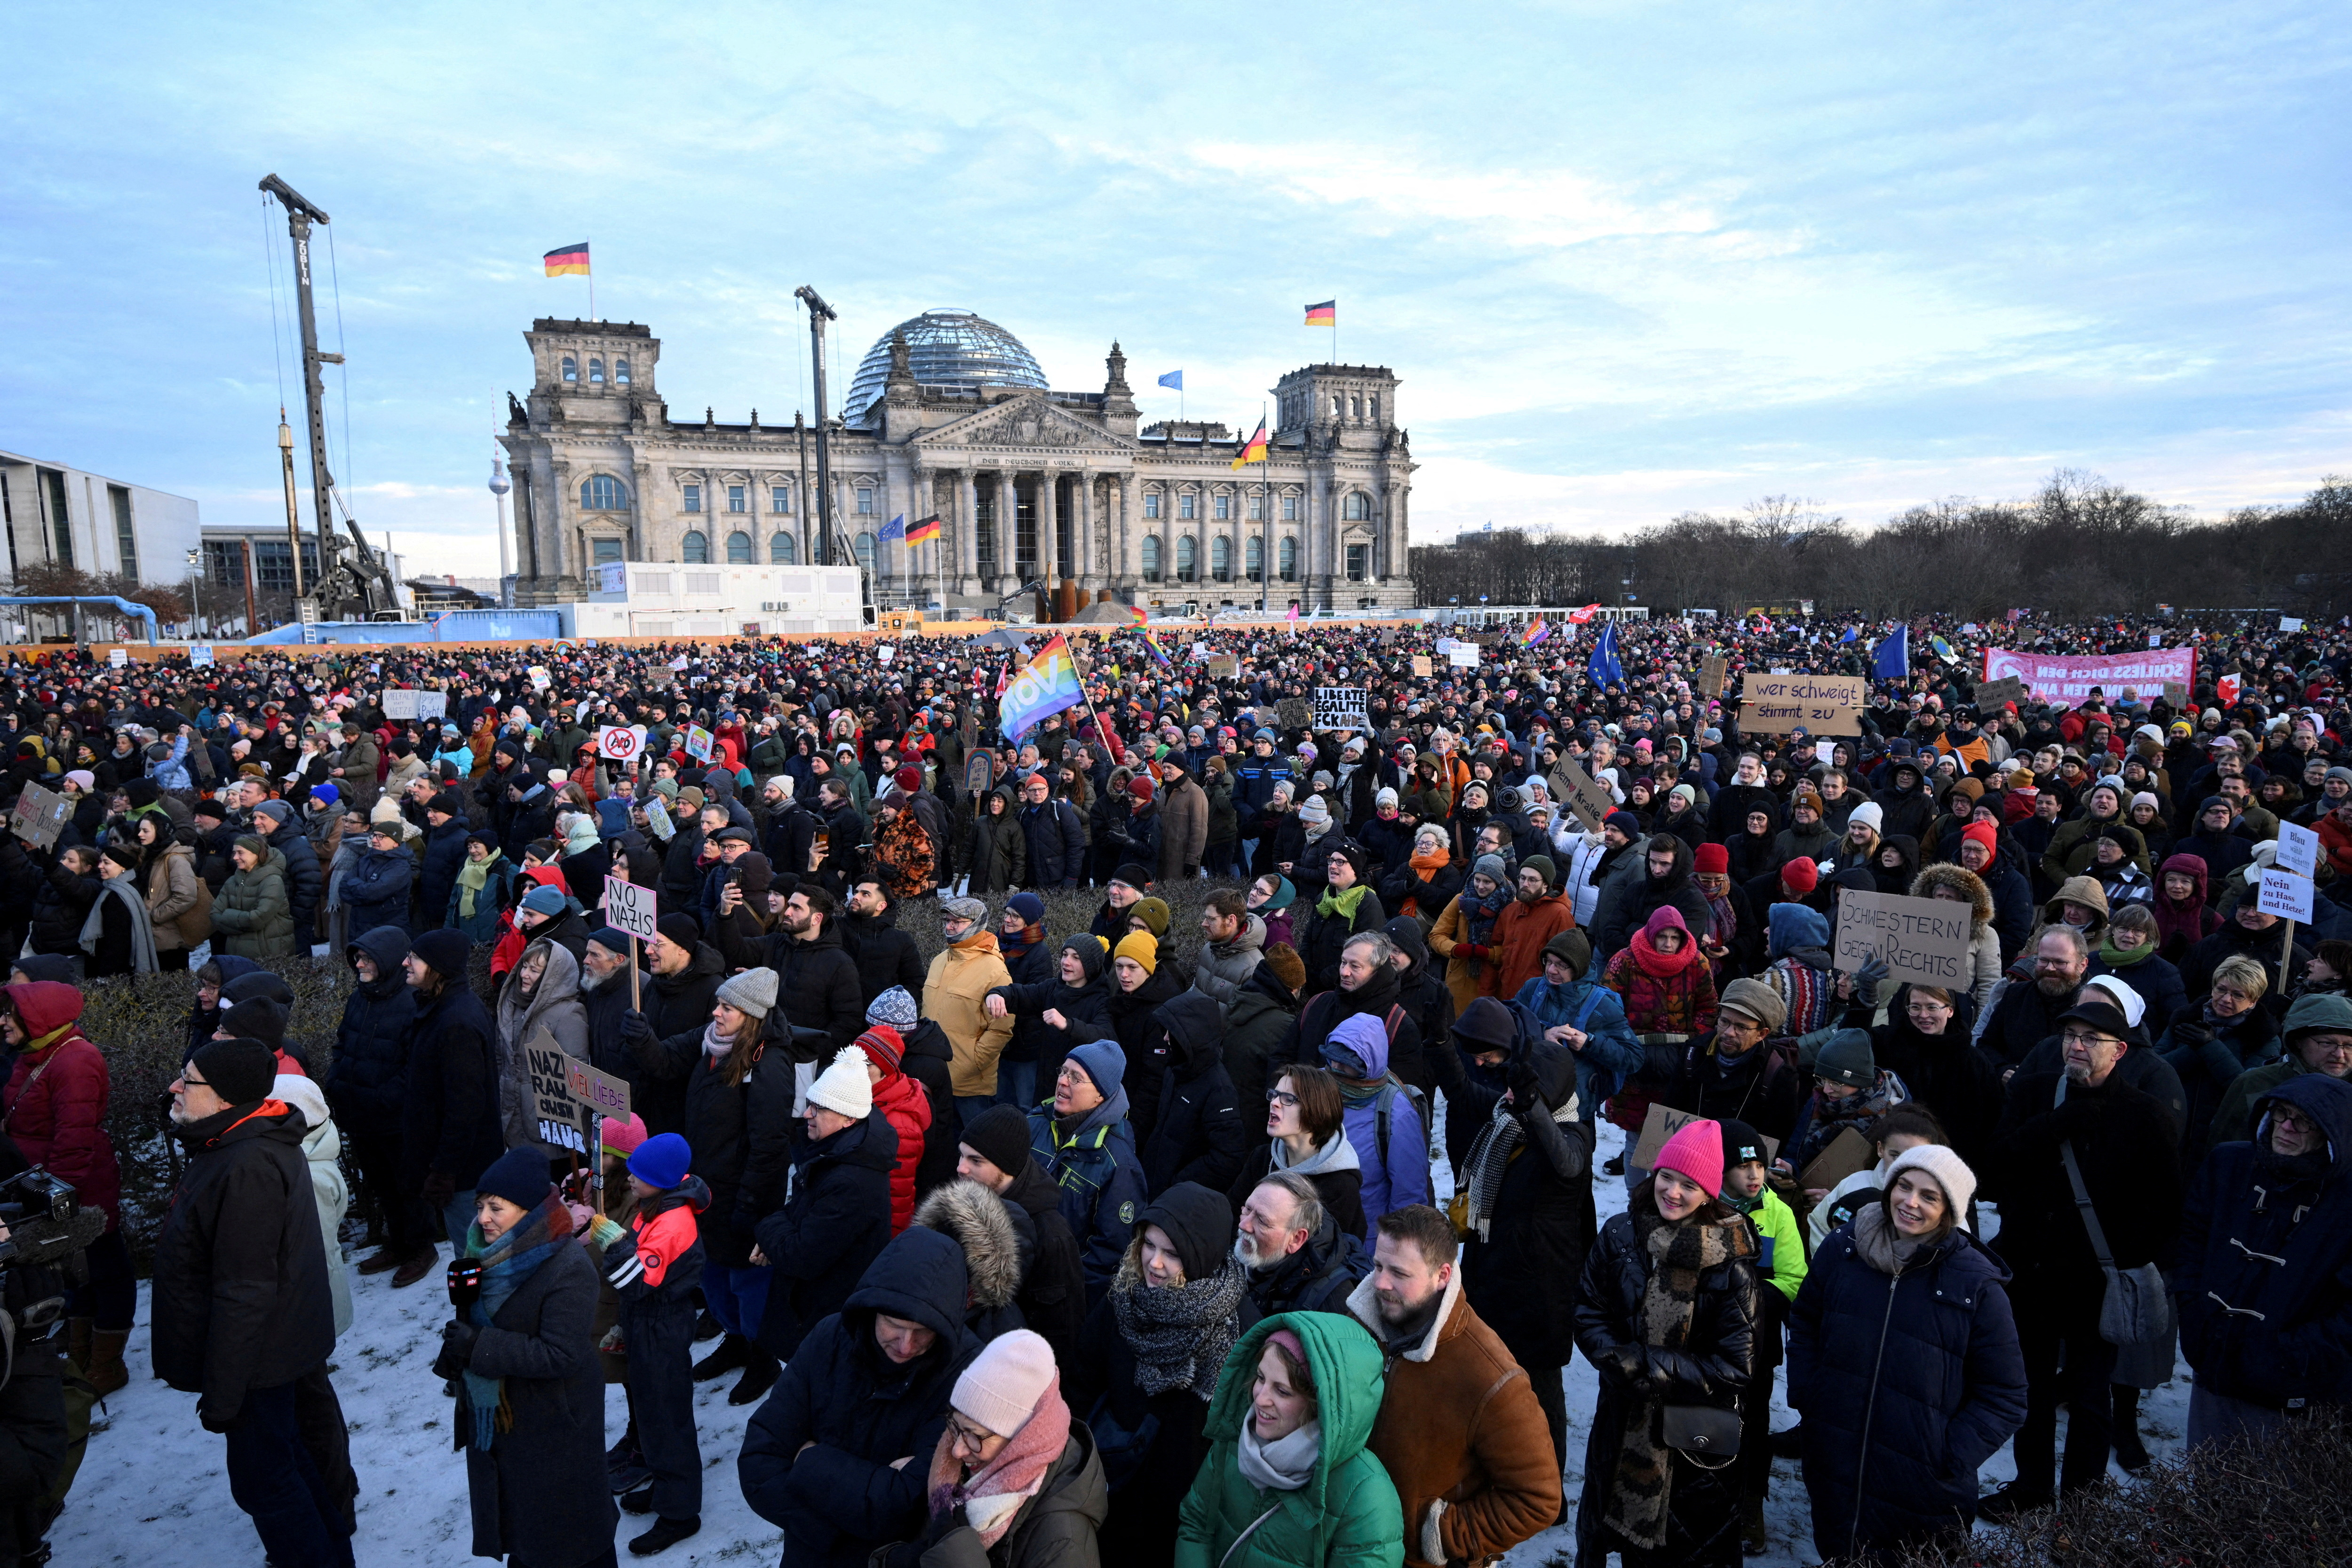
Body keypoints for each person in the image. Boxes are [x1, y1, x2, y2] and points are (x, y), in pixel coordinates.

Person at [1982, 989, 2185, 1514]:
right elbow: (1995, 1166)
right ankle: (2029, 1489)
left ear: (2118, 1050)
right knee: (2030, 1388)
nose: (2076, 1046)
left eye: (2090, 1039)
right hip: (2029, 1273)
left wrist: (2123, 1261)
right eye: (2070, 1036)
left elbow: (2163, 1203)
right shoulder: (2031, 1094)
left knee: (2091, 1395)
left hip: (2096, 1283)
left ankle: (2080, 1504)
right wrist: (2056, 1125)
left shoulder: (2144, 1114)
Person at [151, 1038, 351, 1568]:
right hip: (268, 1355)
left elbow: (245, 1290)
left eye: (188, 1080)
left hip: (261, 1362)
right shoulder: (233, 1144)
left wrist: (224, 1392)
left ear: (224, 1101)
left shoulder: (247, 1165)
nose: (174, 1087)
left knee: (267, 1486)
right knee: (286, 1464)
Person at [1786, 1145, 2026, 1563]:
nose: (1910, 1202)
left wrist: (1947, 1455)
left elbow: (2005, 1395)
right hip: (1837, 1463)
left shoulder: (1976, 1284)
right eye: (1904, 1185)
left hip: (1922, 1489)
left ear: (1950, 1209)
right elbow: (1806, 1321)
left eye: (1929, 1196)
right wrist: (1811, 1396)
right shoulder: (1845, 1248)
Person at [1573, 1120, 1757, 1568]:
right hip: (1619, 1421)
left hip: (1693, 1446)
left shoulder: (1731, 1264)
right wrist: (1615, 1360)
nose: (1672, 1191)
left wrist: (1651, 1366)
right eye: (1667, 1176)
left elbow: (1736, 1366)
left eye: (1689, 1184)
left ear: (1710, 1193)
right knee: (1607, 1531)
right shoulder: (1622, 1235)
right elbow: (1587, 1308)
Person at [740, 1226, 980, 1568]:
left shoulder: (964, 1375)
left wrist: (809, 1461)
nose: (906, 1345)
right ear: (874, 1308)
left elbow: (910, 1506)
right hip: (807, 1553)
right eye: (895, 1324)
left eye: (924, 1331)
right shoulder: (829, 1339)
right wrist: (832, 1533)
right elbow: (758, 1462)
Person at [432, 1146, 619, 1568]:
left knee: (571, 1539)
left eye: (496, 1207)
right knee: (526, 1532)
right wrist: (458, 1352)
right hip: (510, 1427)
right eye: (480, 1206)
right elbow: (481, 1321)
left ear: (530, 1210)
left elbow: (562, 1353)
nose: (482, 1218)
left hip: (556, 1425)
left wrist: (478, 1346)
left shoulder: (568, 1266)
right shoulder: (483, 1255)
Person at [1347, 1205, 1559, 1566]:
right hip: (1348, 1545)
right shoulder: (1357, 1324)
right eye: (1379, 1265)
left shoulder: (1490, 1376)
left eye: (1399, 1272)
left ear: (1442, 1274)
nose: (1380, 1283)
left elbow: (1537, 1498)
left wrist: (1440, 1535)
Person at [1444, 996, 1593, 1472]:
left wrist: (1533, 1109)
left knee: (1539, 1384)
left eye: (1521, 1092)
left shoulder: (1572, 1135)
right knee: (1483, 1368)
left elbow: (1565, 1164)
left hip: (1540, 1286)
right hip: (1493, 1269)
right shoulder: (1507, 1123)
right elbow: (1467, 1095)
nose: (1506, 1097)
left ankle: (1546, 1486)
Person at [1068, 1182, 1251, 1568]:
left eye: (1173, 1253)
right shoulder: (1122, 1296)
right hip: (1112, 1481)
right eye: (1149, 1244)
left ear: (1201, 1255)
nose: (1154, 1262)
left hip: (1182, 1503)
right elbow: (1082, 1380)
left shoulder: (1241, 1328)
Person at [2173, 1073, 2352, 1450]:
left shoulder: (2345, 1200)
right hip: (2216, 1363)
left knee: (2266, 1501)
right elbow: (2191, 1239)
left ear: (2332, 1133)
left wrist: (2291, 1353)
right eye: (2281, 1113)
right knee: (2205, 1491)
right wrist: (2195, 1312)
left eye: (2303, 1121)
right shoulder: (2229, 1164)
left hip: (2294, 1391)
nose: (2285, 1127)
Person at [1172, 1314, 1403, 1568]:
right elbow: (1196, 1526)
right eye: (1260, 1378)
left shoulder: (1366, 1496)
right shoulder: (1233, 1440)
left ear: (1319, 1407)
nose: (1260, 1399)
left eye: (1282, 1391)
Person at [878, 1327, 1107, 1568]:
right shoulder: (955, 1471)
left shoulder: (1062, 1543)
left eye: (974, 1436)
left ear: (1023, 1442)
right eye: (955, 1427)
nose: (956, 1451)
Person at [671, 967, 795, 1408]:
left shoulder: (770, 1064)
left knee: (747, 1285)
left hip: (742, 1199)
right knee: (716, 1279)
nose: (715, 1012)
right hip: (706, 1192)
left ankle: (762, 1356)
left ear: (752, 1015)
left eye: (727, 1007)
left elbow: (769, 1147)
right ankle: (736, 1339)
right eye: (719, 1004)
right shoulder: (716, 1046)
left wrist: (750, 1206)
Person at [1, 981, 131, 1394]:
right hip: (47, 1186)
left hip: (78, 1188)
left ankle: (107, 1364)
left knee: (104, 1267)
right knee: (78, 1273)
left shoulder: (75, 1060)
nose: (2, 1021)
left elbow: (73, 1142)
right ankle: (79, 1352)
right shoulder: (34, 1055)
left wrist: (57, 1205)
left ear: (38, 1018)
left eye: (10, 1013)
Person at [592, 1130, 708, 1555]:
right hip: (646, 1325)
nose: (630, 1181)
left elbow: (637, 1282)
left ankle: (680, 1512)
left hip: (661, 1327)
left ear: (661, 1179)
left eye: (639, 1176)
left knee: (666, 1420)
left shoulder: (673, 1220)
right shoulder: (656, 1204)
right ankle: (665, 1488)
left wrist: (615, 1245)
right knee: (650, 1412)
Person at [751, 1047, 900, 1361]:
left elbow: (800, 1256)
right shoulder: (836, 1152)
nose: (807, 1114)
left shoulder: (849, 1182)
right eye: (809, 1104)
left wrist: (766, 1228)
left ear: (848, 1118)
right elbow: (802, 1213)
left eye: (818, 1109)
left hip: (825, 1321)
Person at [327, 925, 429, 1284]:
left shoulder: (411, 1002)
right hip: (361, 1116)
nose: (359, 963)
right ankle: (398, 1243)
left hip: (393, 1120)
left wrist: (383, 1098)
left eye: (367, 957)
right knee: (382, 1185)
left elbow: (414, 1068)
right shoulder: (360, 996)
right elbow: (343, 1043)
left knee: (407, 1186)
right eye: (358, 957)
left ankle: (420, 1248)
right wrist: (336, 1082)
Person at [957, 1105, 1090, 1368]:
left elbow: (1061, 1331)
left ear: (1007, 1167)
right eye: (961, 1156)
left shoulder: (1052, 1237)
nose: (961, 1168)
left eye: (975, 1161)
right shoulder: (971, 1198)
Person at [402, 928, 504, 1256]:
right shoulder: (441, 1008)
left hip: (464, 1175)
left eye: (415, 958)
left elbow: (465, 1108)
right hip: (456, 1168)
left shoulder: (456, 1021)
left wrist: (444, 1171)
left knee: (474, 1260)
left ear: (438, 966)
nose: (406, 962)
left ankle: (474, 1309)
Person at [1028, 1041, 1149, 1306]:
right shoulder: (1034, 1123)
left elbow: (1111, 1251)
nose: (1062, 1082)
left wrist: (1062, 1289)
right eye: (1063, 1071)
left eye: (1076, 1078)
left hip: (1057, 1294)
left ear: (1100, 1096)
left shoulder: (1119, 1164)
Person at [2158, 953, 2281, 1161]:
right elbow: (2157, 1069)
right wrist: (2194, 1049)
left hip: (2222, 1135)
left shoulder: (2264, 1036)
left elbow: (2246, 1089)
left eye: (2238, 995)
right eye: (2221, 990)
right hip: (2173, 1123)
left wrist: (2210, 1047)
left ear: (2253, 1001)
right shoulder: (2186, 1017)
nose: (2225, 999)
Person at [1319, 1012, 1430, 1237]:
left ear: (1366, 1067)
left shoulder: (1397, 1113)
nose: (1336, 1068)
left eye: (1346, 1064)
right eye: (1333, 1058)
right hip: (1310, 1234)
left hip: (1365, 1244)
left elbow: (1408, 1195)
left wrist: (1393, 1251)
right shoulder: (1316, 1087)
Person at [1228, 1064, 1366, 1239]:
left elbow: (1332, 1254)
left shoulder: (1340, 1186)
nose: (1274, 1103)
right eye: (1274, 1095)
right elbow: (1230, 1215)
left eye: (1287, 1099)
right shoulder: (1262, 1158)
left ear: (1316, 1110)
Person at [2212, 992, 2352, 1145]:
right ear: (2298, 1041)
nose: (2339, 1054)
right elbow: (2223, 1151)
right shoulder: (2255, 1083)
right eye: (2327, 1043)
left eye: (2350, 1045)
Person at [1140, 992, 1245, 1195]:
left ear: (1192, 1036)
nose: (1165, 1037)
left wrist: (1178, 1185)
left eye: (1173, 1031)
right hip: (1153, 1183)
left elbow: (1227, 1158)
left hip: (1175, 1197)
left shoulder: (1220, 1091)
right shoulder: (1176, 1069)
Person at [928, 896, 1019, 1124]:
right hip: (933, 1078)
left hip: (971, 1088)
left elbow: (1002, 1029)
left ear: (976, 923)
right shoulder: (939, 961)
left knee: (974, 1149)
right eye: (947, 921)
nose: (949, 926)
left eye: (957, 922)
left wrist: (974, 1063)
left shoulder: (994, 969)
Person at [1233, 1170, 1368, 1319]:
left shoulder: (1328, 1305)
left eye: (1262, 1221)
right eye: (1248, 1209)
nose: (1244, 1225)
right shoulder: (1230, 1260)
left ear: (1297, 1239)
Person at [210, 835, 298, 963]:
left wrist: (228, 917)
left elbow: (257, 919)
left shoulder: (272, 881)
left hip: (268, 956)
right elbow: (214, 915)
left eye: (241, 853)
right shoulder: (232, 881)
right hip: (236, 956)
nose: (235, 858)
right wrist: (243, 922)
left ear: (257, 854)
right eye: (234, 853)